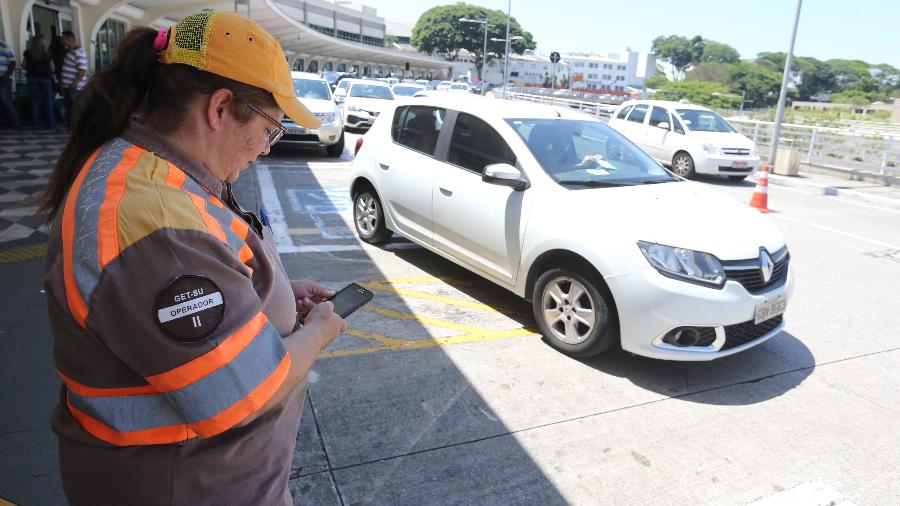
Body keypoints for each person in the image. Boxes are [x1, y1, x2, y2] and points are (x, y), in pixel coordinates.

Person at [39, 11, 347, 504]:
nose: (266, 149)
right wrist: (320, 330)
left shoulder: (154, 174)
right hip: (185, 486)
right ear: (220, 108)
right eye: (270, 129)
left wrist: (275, 294)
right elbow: (246, 393)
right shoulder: (155, 225)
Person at [22, 35, 56, 130]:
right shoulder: (48, 54)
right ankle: (50, 124)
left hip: (32, 78)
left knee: (34, 101)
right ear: (43, 43)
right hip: (46, 79)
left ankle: (36, 124)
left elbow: (23, 65)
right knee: (48, 102)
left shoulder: (28, 52)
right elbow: (52, 69)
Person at [59, 30, 87, 127]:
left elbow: (82, 70)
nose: (62, 41)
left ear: (69, 39)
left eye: (63, 39)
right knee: (69, 108)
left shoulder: (79, 52)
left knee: (76, 108)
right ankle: (71, 126)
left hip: (75, 88)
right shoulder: (71, 51)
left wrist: (75, 83)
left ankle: (77, 127)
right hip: (68, 86)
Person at [0, 39, 20, 129]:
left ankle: (15, 122)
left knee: (6, 99)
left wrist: (7, 75)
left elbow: (13, 61)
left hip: (4, 77)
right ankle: (5, 120)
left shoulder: (4, 46)